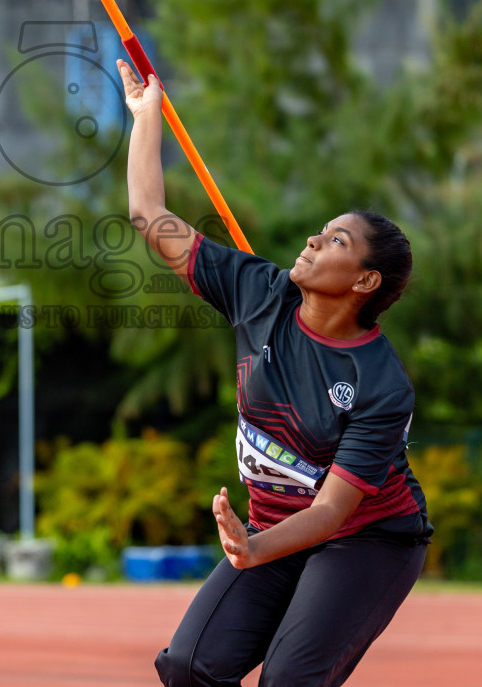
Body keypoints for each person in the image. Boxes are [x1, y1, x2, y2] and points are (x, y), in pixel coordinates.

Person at [118, 60, 431, 687]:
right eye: (321, 232)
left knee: (288, 681)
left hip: (365, 541)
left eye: (336, 242)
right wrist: (146, 118)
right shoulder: (259, 292)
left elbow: (336, 511)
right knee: (189, 667)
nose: (314, 241)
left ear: (365, 282)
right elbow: (148, 215)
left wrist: (254, 549)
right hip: (268, 529)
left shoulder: (380, 383)